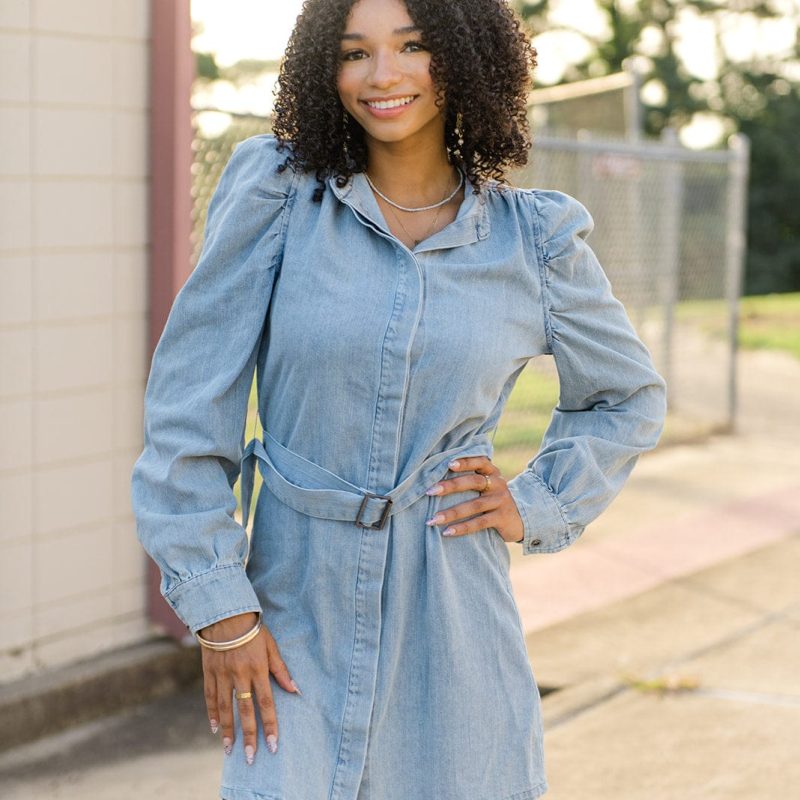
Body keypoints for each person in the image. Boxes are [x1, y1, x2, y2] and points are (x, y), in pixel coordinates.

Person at [130, 0, 667, 797]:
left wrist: (536, 501)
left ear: (464, 57)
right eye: (355, 53)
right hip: (293, 612)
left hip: (455, 626)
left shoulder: (535, 240)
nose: (382, 75)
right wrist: (222, 611)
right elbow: (188, 405)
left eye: (412, 46)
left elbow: (627, 397)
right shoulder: (279, 196)